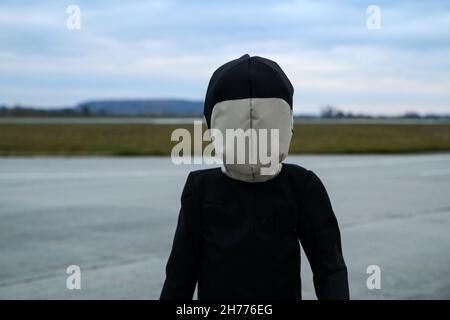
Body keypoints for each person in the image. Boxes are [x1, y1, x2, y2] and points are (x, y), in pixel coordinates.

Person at [160, 54, 349, 300]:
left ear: (212, 126)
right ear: (288, 122)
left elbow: (179, 277)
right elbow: (330, 270)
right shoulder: (301, 185)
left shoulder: (300, 186)